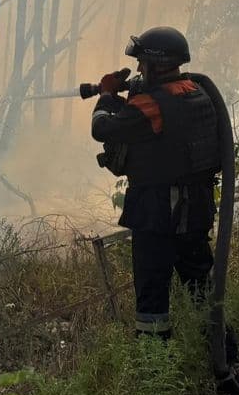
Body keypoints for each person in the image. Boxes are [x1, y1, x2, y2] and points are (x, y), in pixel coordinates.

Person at [90, 26, 224, 343]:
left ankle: (154, 356)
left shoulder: (152, 105)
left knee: (152, 290)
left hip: (158, 213)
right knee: (199, 284)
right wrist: (127, 96)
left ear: (157, 64)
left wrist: (106, 96)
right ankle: (220, 351)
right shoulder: (196, 92)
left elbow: (102, 129)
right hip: (196, 210)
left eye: (142, 62)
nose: (138, 68)